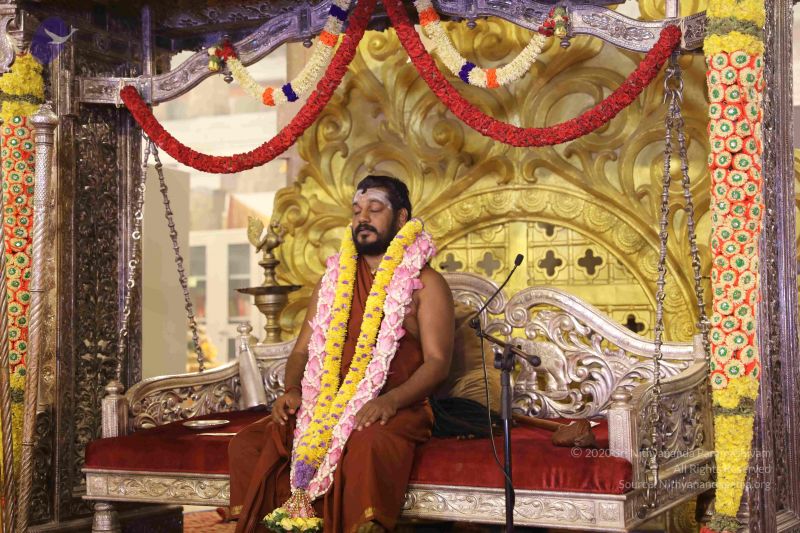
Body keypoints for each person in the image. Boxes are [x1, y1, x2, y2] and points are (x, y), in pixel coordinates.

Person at [228, 175, 455, 532]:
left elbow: (438, 363)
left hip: (397, 407)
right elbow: (301, 352)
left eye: (375, 209)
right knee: (250, 442)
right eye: (356, 210)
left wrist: (390, 401)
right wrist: (292, 391)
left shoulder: (426, 284)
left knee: (365, 442)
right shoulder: (332, 282)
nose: (363, 218)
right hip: (325, 405)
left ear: (401, 218)